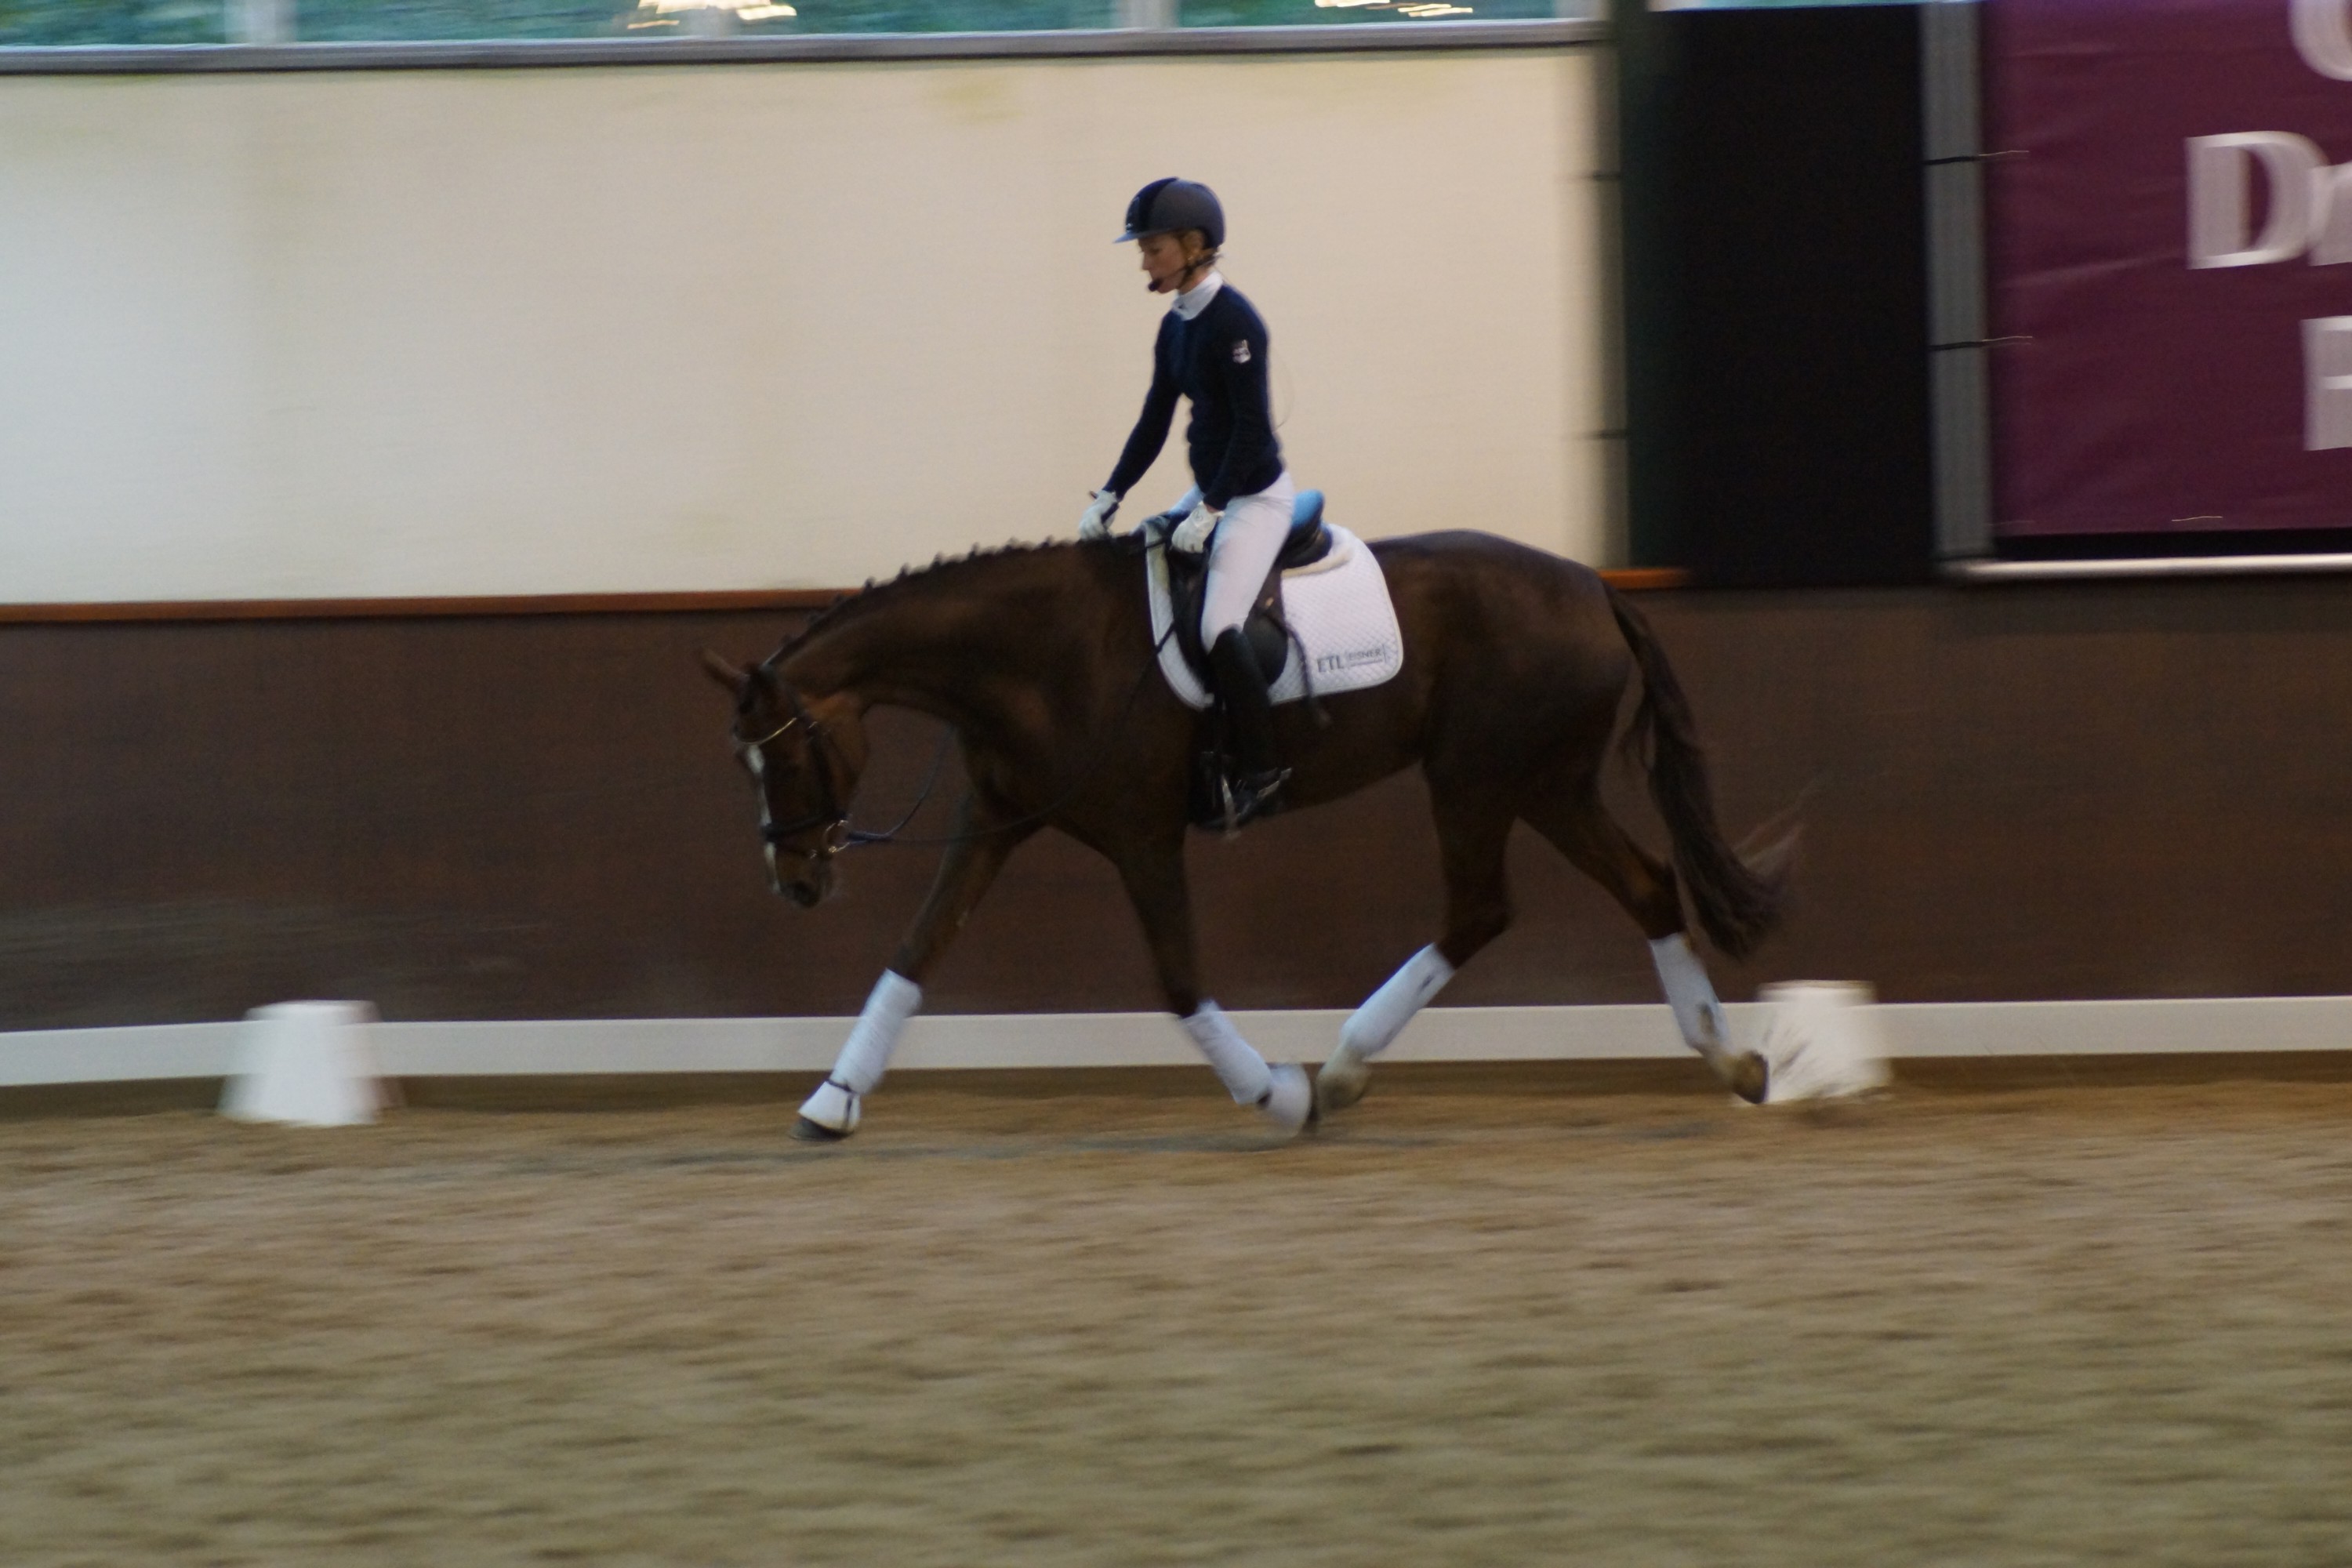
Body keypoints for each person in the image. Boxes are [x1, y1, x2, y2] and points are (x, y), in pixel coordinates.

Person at [1078, 176, 1294, 827]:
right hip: (1212, 491)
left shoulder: (1236, 323)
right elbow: (1153, 422)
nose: (1144, 262)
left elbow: (1254, 427)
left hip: (1254, 496)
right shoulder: (1175, 327)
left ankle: (1264, 768)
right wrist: (1111, 493)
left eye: (1152, 249)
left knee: (1216, 625)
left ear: (1194, 245)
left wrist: (1214, 507)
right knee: (1148, 562)